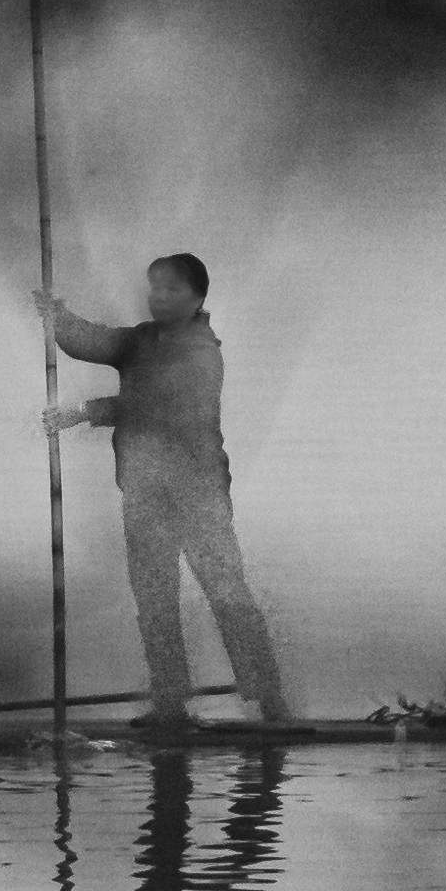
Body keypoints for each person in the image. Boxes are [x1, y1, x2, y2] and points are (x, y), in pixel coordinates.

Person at [47, 251, 290, 730]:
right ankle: (170, 703)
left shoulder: (202, 351)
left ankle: (270, 702)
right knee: (154, 596)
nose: (159, 297)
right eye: (155, 287)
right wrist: (56, 316)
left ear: (198, 297)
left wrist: (84, 411)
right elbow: (89, 342)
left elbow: (157, 405)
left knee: (225, 590)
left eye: (172, 289)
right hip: (144, 490)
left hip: (198, 490)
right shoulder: (140, 340)